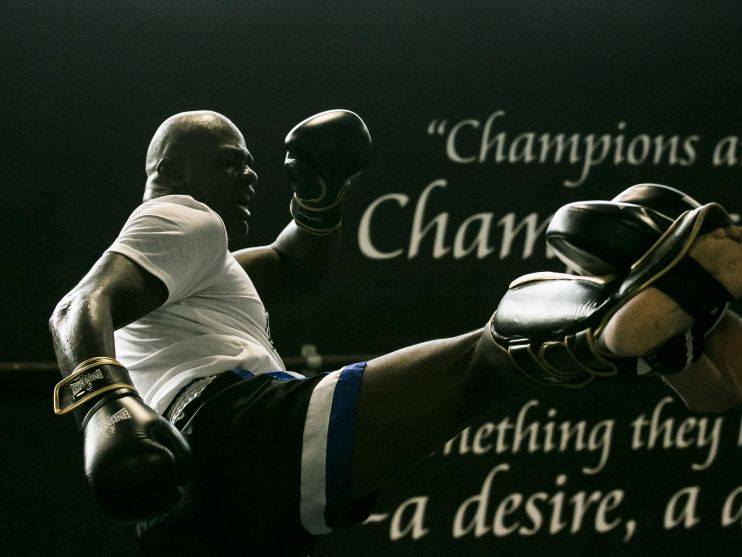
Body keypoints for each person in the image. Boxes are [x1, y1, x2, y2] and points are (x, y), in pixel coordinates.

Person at [48, 110, 742, 554]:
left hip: (191, 506)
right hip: (236, 431)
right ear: (172, 171)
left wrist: (320, 197)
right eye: (231, 160)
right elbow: (77, 306)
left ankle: (659, 335)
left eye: (250, 160)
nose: (250, 173)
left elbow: (293, 265)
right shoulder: (181, 217)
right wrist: (107, 407)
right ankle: (629, 315)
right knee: (484, 359)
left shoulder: (197, 265)